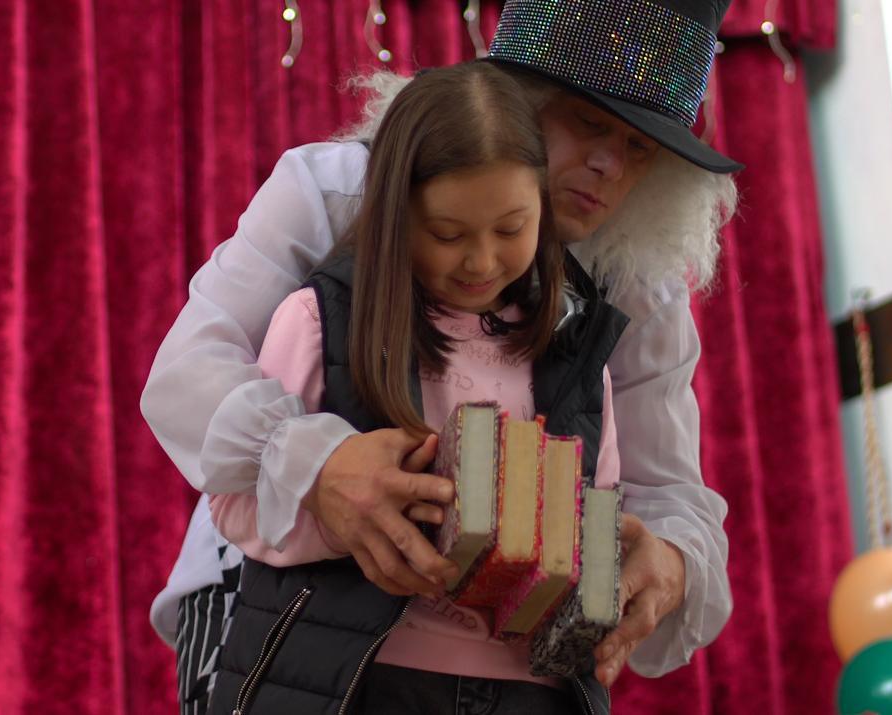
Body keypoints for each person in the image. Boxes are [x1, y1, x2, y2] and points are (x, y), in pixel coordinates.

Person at [146, 1, 740, 713]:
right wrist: (320, 464)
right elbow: (188, 372)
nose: (609, 164)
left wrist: (669, 563)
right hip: (272, 607)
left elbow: (668, 491)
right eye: (588, 122)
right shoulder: (338, 191)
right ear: (517, 99)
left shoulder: (639, 288)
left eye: (641, 147)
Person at [207, 59, 624, 714]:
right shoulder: (321, 321)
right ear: (394, 214)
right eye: (447, 234)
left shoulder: (576, 348)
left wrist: (605, 572)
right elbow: (233, 503)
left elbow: (599, 508)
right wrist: (345, 523)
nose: (481, 260)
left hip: (532, 693)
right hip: (363, 681)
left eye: (511, 229)